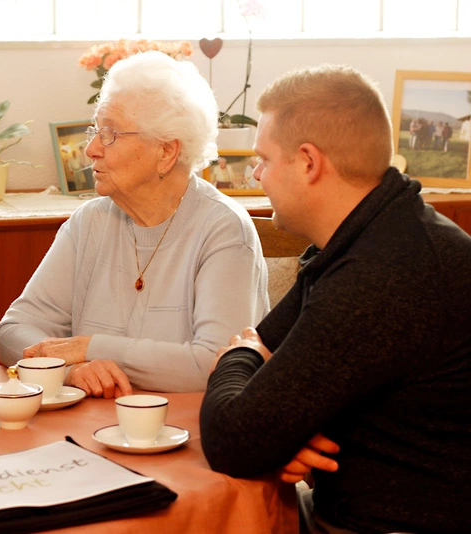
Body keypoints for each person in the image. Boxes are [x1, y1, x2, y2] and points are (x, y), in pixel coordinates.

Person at [200, 64, 471, 534]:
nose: (257, 175)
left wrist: (237, 359)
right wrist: (277, 429)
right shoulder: (371, 234)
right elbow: (262, 373)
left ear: (308, 161)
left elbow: (233, 439)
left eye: (263, 159)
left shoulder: (385, 271)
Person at [0, 51, 268, 398]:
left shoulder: (224, 230)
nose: (91, 149)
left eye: (110, 134)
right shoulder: (89, 222)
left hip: (184, 424)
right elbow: (13, 331)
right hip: (92, 423)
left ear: (166, 152)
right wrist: (70, 370)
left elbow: (212, 364)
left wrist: (90, 347)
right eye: (95, 130)